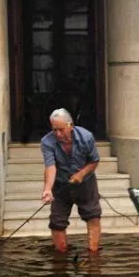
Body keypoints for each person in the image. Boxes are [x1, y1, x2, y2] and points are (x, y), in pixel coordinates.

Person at [40, 108, 102, 253]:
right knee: (57, 222)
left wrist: (81, 174)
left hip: (85, 184)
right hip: (61, 185)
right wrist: (47, 189)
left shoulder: (86, 137)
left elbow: (94, 161)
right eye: (54, 130)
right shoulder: (47, 141)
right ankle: (61, 254)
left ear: (70, 125)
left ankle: (93, 254)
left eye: (61, 129)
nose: (58, 134)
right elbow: (50, 167)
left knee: (93, 216)